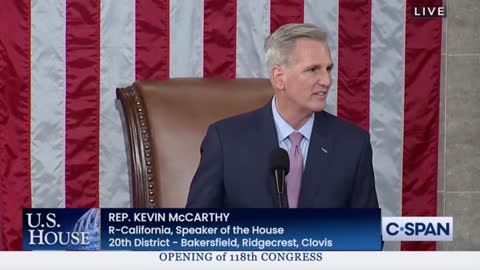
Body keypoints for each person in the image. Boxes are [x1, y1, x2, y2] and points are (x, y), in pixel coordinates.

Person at [186, 23, 379, 208]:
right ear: (279, 78)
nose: (327, 81)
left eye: (328, 69)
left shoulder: (353, 144)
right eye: (313, 70)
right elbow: (197, 230)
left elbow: (366, 236)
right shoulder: (226, 141)